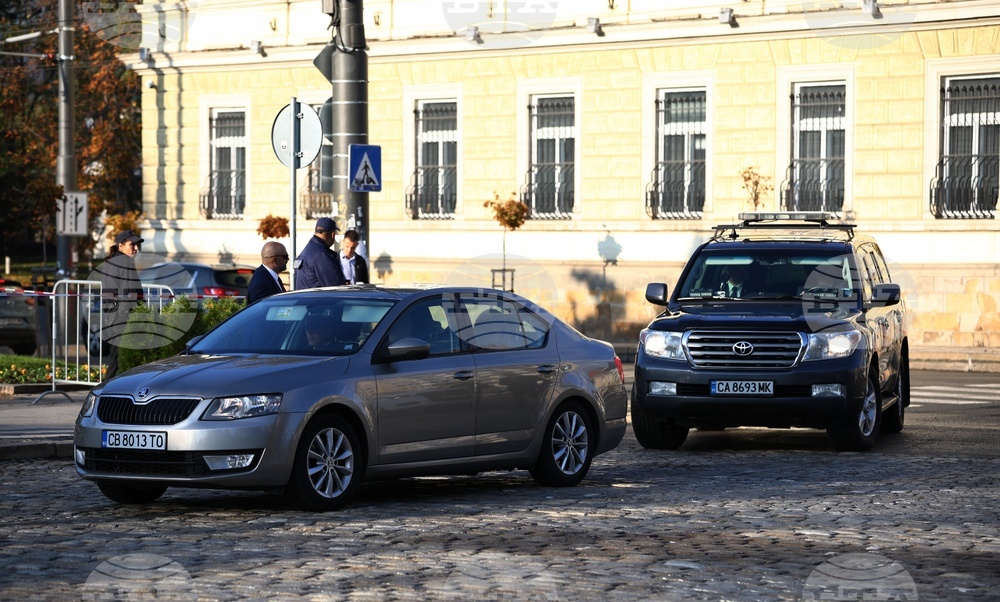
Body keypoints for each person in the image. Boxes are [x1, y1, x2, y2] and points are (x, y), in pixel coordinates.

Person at [96, 230, 144, 379]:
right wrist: (135, 317)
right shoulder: (125, 262)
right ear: (120, 245)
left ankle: (108, 393)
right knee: (122, 363)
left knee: (116, 360)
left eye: (136, 244)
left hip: (112, 317)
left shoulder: (111, 261)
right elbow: (130, 294)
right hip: (123, 318)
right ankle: (107, 394)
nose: (135, 248)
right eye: (132, 244)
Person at [293, 217, 346, 289]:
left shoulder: (307, 251)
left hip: (304, 299)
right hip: (317, 299)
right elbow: (335, 288)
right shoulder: (322, 255)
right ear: (332, 234)